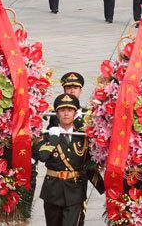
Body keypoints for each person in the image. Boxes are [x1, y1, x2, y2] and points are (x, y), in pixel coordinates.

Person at [38, 93, 104, 226]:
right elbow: (43, 157)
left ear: (75, 113)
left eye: (70, 110)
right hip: (53, 191)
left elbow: (88, 164)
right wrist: (54, 139)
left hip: (75, 190)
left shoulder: (82, 137)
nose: (66, 114)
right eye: (62, 110)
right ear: (57, 114)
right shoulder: (48, 135)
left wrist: (103, 187)